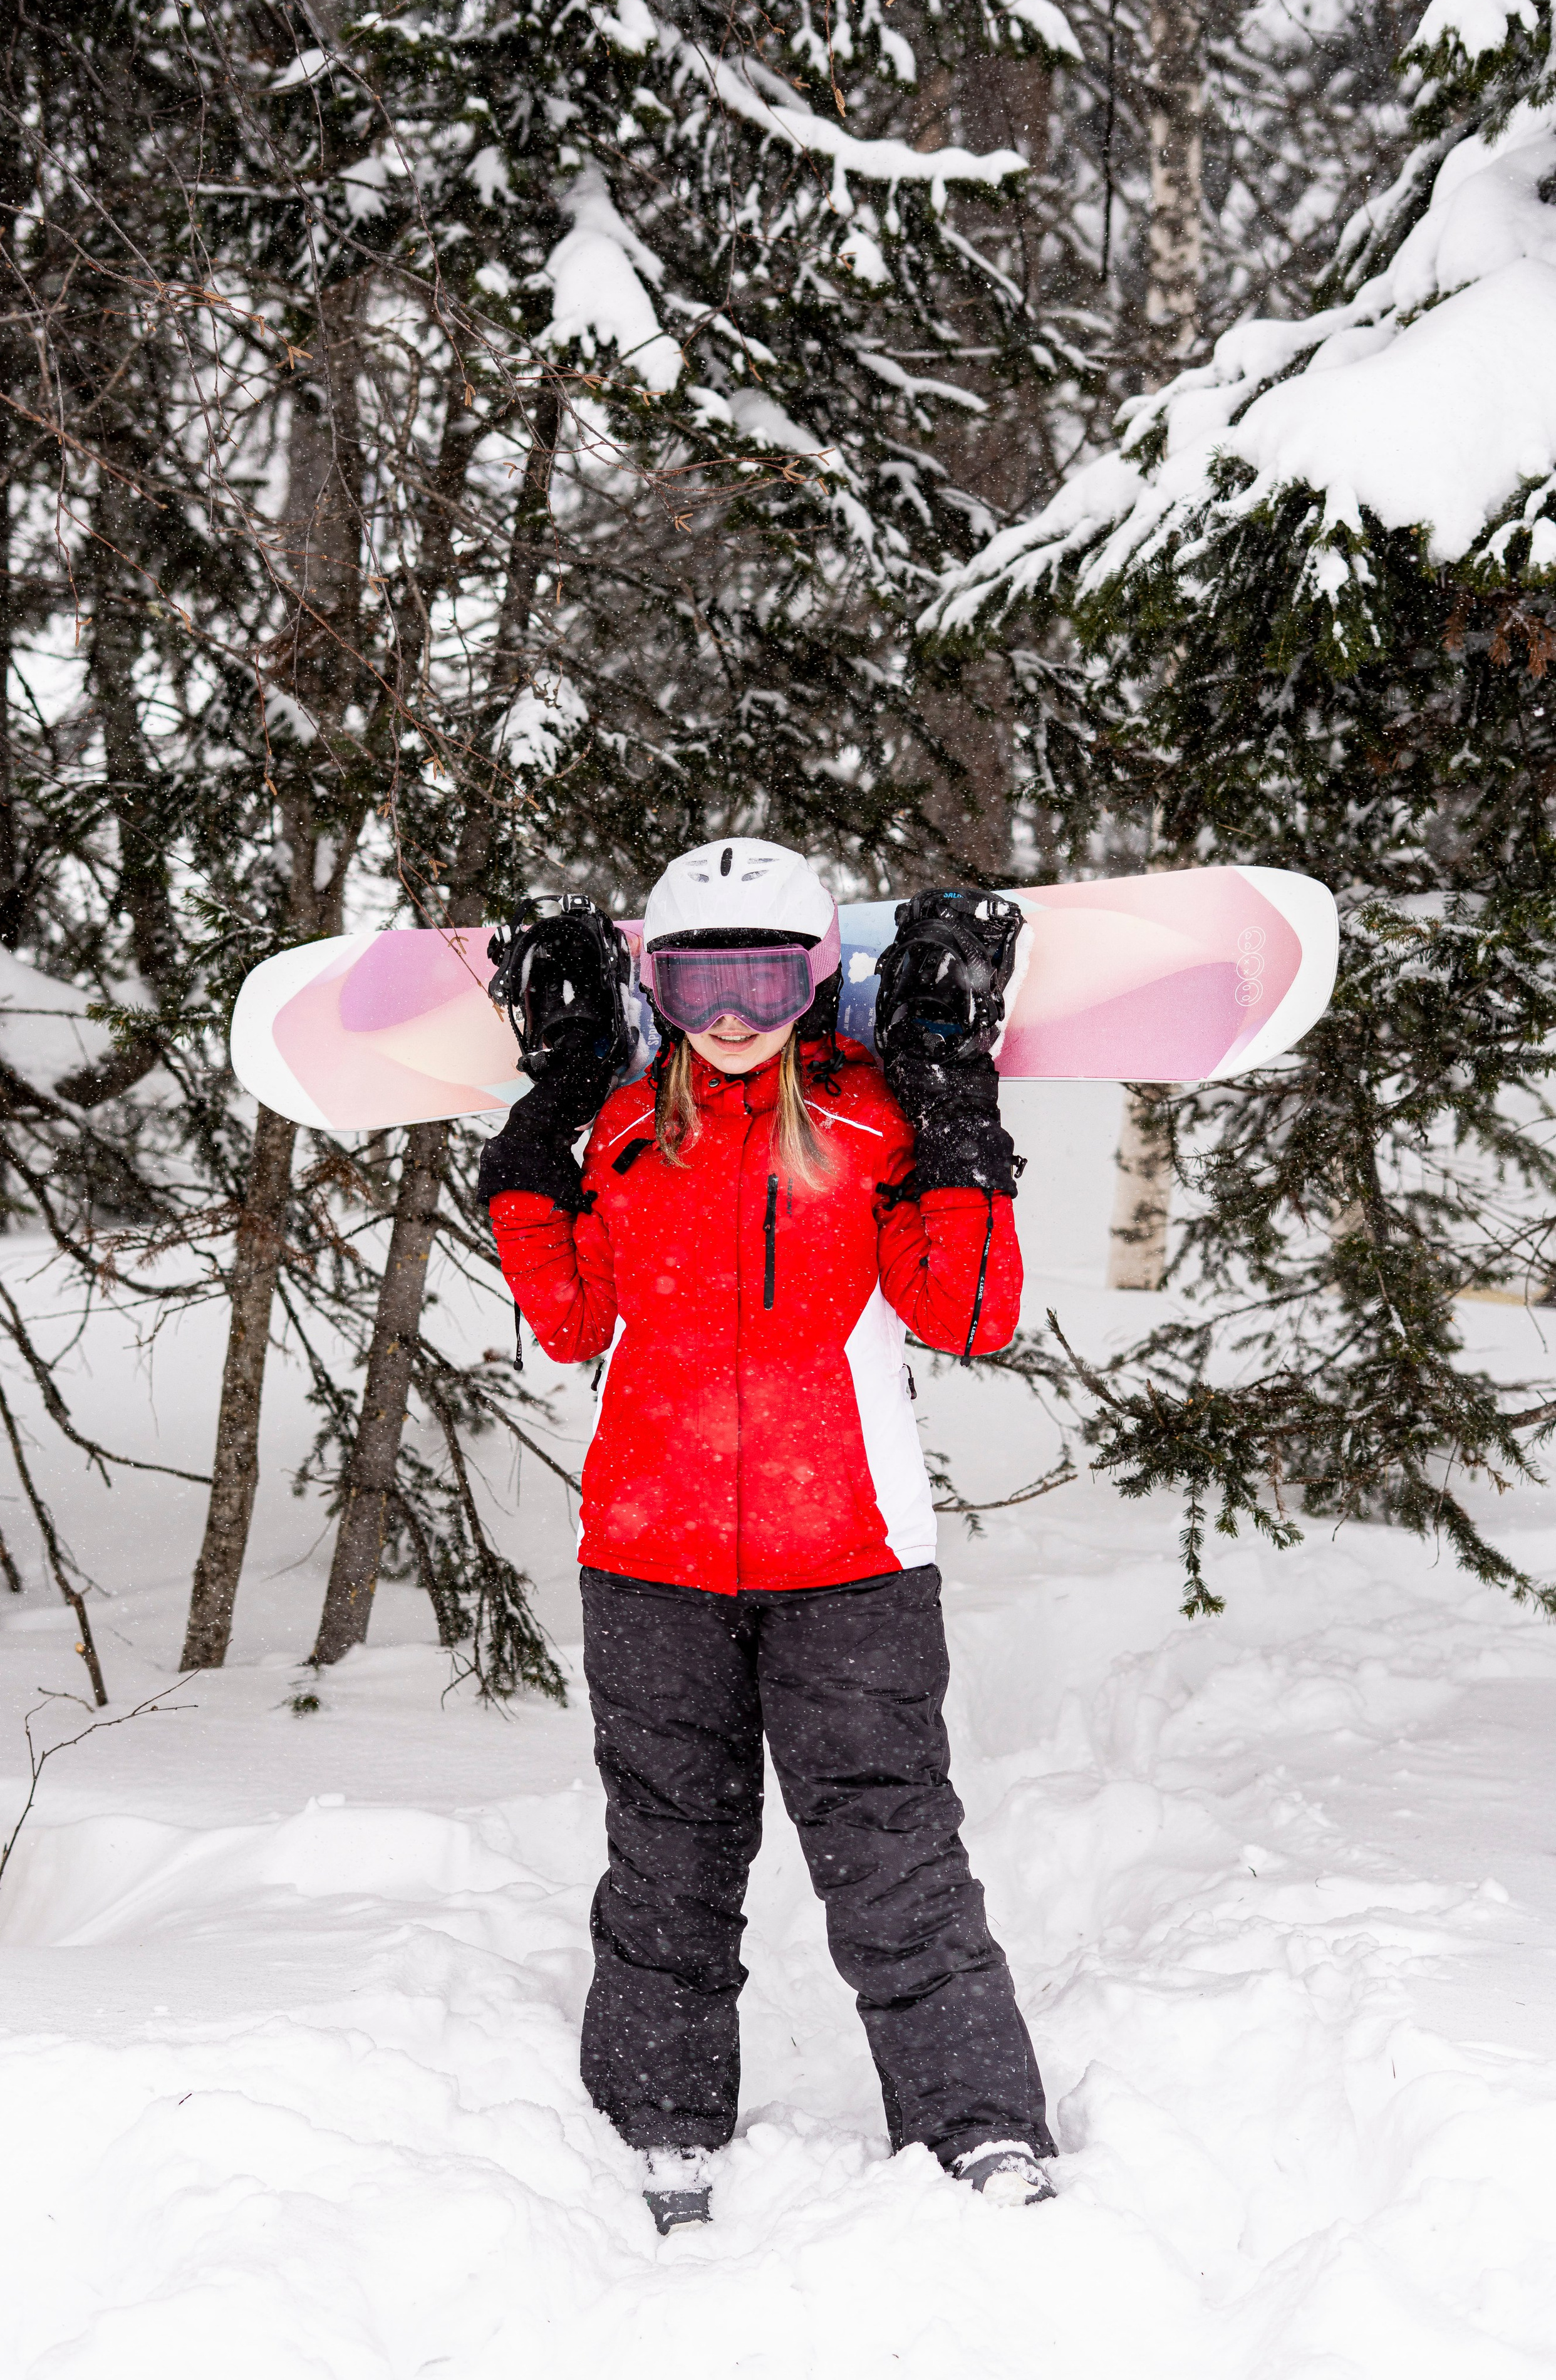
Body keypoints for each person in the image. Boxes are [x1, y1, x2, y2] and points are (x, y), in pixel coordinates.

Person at [477, 839, 1056, 2233]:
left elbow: (964, 1312)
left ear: (818, 982)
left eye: (763, 978)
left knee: (892, 1848)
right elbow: (565, 1320)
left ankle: (973, 2123)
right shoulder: (624, 1128)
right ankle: (659, 2121)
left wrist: (954, 1101)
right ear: (657, 992)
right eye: (695, 982)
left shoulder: (872, 1121)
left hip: (848, 1556)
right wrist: (541, 1127)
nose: (730, 1015)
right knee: (667, 1851)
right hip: (648, 1557)